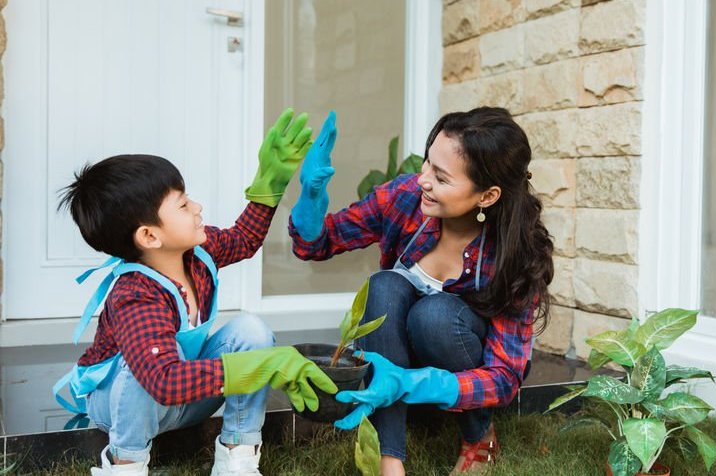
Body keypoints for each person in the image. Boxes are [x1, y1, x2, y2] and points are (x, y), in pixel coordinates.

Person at [53, 109, 339, 476]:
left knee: (250, 331)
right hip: (129, 404)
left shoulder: (197, 255)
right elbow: (162, 380)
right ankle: (125, 464)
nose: (197, 207)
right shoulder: (135, 295)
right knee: (138, 369)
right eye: (183, 204)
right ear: (150, 236)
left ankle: (237, 456)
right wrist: (259, 367)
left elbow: (244, 239)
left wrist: (271, 182)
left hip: (183, 392)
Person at [288, 107, 554, 475]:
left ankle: (478, 434)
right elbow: (315, 245)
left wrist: (412, 381)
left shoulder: (514, 255)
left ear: (487, 195)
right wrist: (311, 197)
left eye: (441, 177)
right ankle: (389, 460)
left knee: (434, 315)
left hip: (454, 362)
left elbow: (505, 377)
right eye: (427, 163)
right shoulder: (406, 198)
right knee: (384, 285)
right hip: (394, 355)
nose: (423, 180)